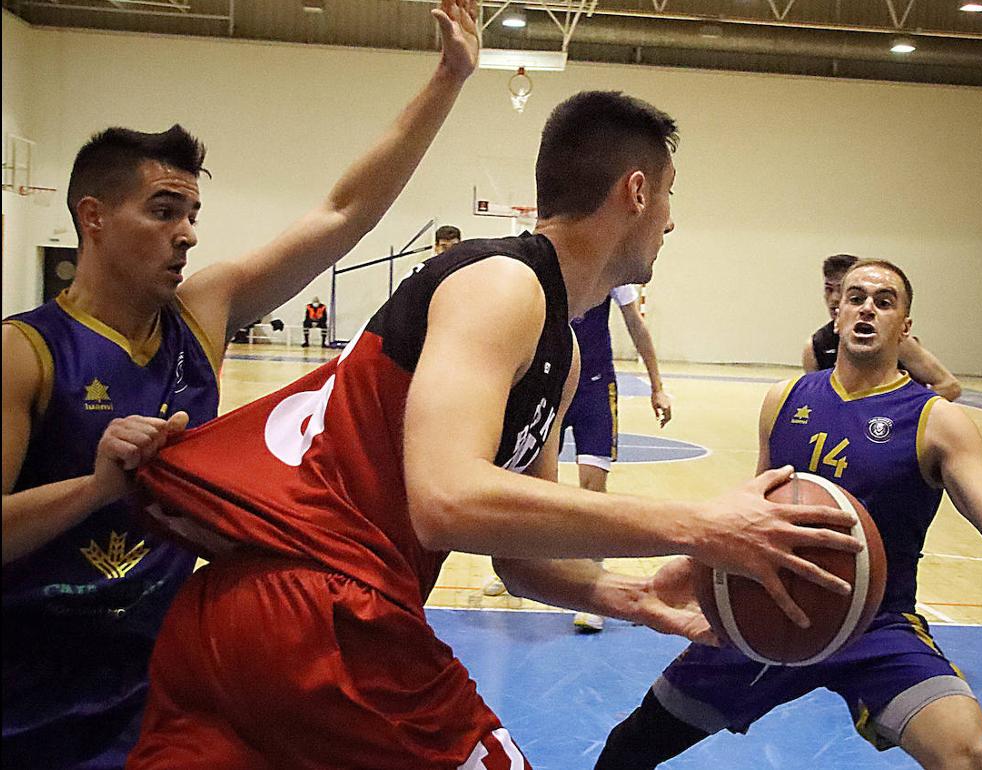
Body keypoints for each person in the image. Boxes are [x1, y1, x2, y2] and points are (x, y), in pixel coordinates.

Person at [125, 90, 861, 768]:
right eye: (669, 195)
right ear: (636, 191)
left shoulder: (562, 347)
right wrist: (699, 524)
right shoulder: (503, 284)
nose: (671, 221)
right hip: (327, 611)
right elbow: (445, 501)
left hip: (242, 618)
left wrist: (632, 596)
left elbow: (517, 556)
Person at [0, 2, 482, 766]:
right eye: (163, 211)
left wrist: (449, 79)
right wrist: (94, 490)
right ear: (92, 217)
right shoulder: (26, 351)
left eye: (192, 212)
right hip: (27, 687)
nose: (187, 232)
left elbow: (342, 213)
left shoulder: (203, 312)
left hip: (158, 676)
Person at [595, 261, 982, 770]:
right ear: (837, 312)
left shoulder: (935, 420)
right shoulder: (784, 399)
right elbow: (749, 509)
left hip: (877, 623)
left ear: (905, 325)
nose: (867, 309)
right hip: (770, 612)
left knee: (970, 756)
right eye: (855, 298)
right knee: (627, 748)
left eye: (884, 301)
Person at [484, 282, 674, 633]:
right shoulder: (547, 273)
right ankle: (514, 558)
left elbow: (636, 324)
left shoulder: (617, 278)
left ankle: (592, 588)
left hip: (596, 387)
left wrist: (657, 385)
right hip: (550, 382)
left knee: (592, 487)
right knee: (526, 482)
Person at [802, 253, 961, 402]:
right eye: (829, 289)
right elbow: (819, 402)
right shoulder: (815, 347)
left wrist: (899, 412)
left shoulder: (898, 342)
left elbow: (950, 386)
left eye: (840, 289)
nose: (834, 298)